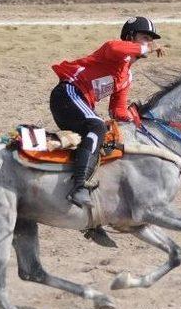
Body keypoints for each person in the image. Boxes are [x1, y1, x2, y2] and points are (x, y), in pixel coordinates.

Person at [50, 16, 166, 208]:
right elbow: (114, 48)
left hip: (79, 103)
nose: (150, 42)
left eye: (151, 39)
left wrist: (138, 120)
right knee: (96, 125)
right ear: (129, 37)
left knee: (107, 138)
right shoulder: (113, 50)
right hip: (68, 93)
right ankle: (79, 186)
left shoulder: (126, 76)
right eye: (145, 37)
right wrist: (147, 49)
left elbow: (117, 111)